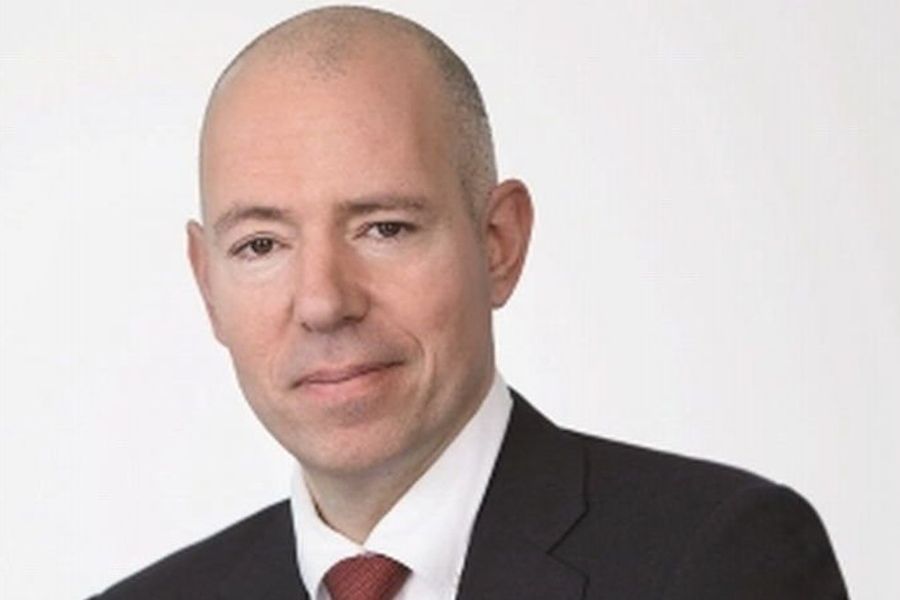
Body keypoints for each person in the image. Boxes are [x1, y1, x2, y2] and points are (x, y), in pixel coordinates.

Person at [94, 5, 848, 599]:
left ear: (498, 243)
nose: (323, 302)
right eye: (261, 245)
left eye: (384, 228)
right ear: (207, 284)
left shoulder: (720, 563)